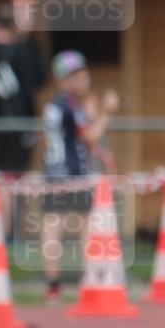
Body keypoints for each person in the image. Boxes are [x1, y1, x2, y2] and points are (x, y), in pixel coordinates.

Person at [41, 50, 120, 301]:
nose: (81, 80)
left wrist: (93, 111)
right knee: (86, 225)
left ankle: (53, 285)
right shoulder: (70, 104)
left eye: (82, 74)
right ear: (61, 80)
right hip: (72, 173)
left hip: (53, 171)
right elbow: (91, 135)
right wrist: (107, 112)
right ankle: (91, 278)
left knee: (53, 226)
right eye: (73, 76)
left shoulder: (54, 104)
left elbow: (76, 135)